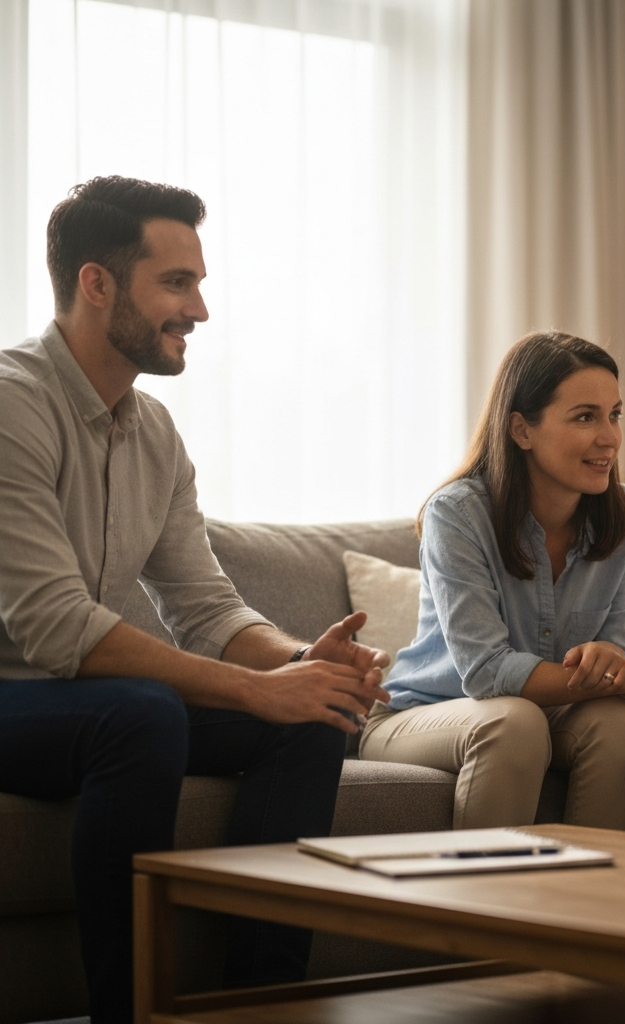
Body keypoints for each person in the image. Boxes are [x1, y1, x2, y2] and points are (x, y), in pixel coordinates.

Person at [0, 176, 391, 1024]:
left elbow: (206, 607)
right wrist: (254, 688)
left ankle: (261, 1004)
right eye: (177, 283)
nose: (201, 310)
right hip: (13, 693)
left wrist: (299, 666)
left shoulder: (154, 432)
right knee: (142, 716)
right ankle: (133, 1015)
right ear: (96, 284)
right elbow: (52, 624)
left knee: (313, 713)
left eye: (199, 283)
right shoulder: (11, 404)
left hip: (75, 698)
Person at [360, 331, 625, 830]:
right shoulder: (457, 514)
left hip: (542, 715)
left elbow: (616, 654)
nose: (610, 437)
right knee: (513, 720)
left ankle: (587, 904)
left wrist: (617, 665)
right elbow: (487, 673)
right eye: (586, 416)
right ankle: (483, 907)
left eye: (614, 414)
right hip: (425, 715)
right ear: (521, 430)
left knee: (618, 723)